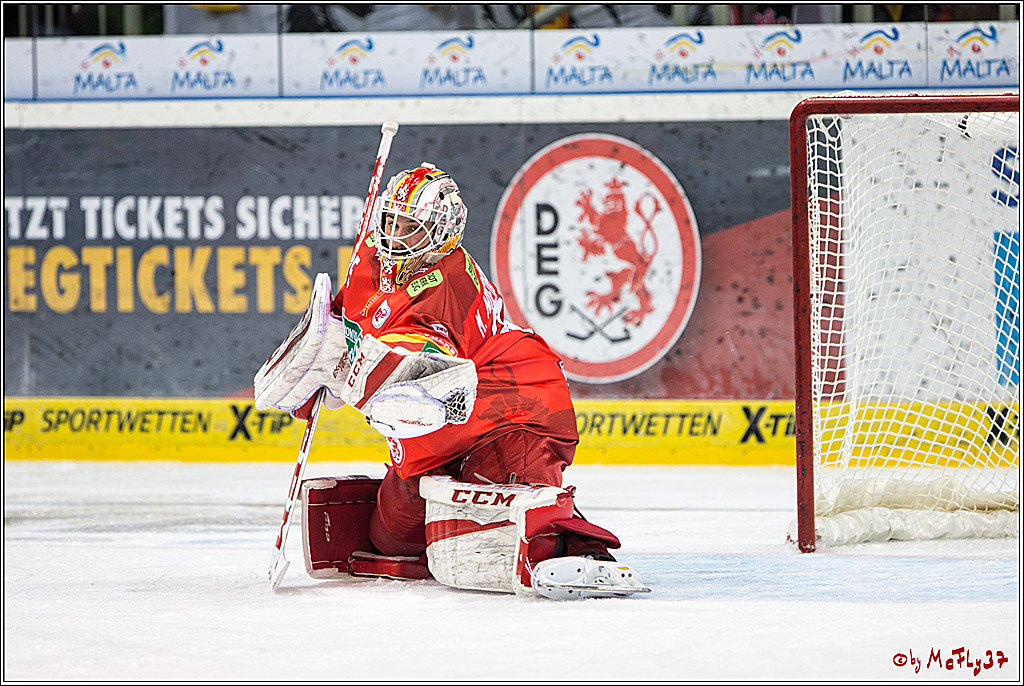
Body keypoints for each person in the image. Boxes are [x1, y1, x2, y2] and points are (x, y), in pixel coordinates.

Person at [256, 162, 647, 599]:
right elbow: (349, 321)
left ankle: (575, 545)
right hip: (444, 431)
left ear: (442, 232)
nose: (393, 233)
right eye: (390, 220)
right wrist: (318, 366)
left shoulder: (451, 286)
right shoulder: (371, 256)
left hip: (509, 412)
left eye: (409, 225)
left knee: (474, 540)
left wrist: (343, 364)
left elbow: (417, 382)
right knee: (393, 541)